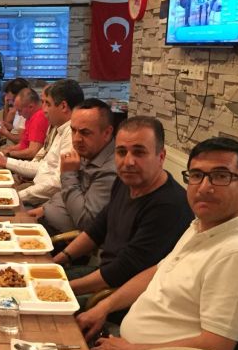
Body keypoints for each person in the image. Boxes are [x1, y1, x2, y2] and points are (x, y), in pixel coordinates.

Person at [78, 137, 238, 350]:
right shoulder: (203, 225)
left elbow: (216, 349)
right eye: (196, 175)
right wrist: (104, 307)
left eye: (221, 176)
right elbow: (158, 271)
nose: (204, 187)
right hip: (126, 346)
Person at [52, 116, 193, 298]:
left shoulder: (169, 206)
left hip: (122, 295)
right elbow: (98, 228)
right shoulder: (126, 181)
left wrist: (58, 290)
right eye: (121, 152)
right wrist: (57, 260)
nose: (128, 162)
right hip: (103, 274)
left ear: (161, 156)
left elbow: (124, 270)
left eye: (139, 152)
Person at [0, 79, 83, 206]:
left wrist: (17, 196)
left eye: (47, 103)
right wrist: (5, 161)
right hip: (36, 185)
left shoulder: (71, 133)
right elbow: (42, 166)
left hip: (45, 199)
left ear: (63, 106)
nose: (44, 109)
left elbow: (56, 183)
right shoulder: (58, 128)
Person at [30, 99, 116, 235]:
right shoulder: (89, 151)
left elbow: (87, 222)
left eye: (85, 133)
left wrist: (68, 174)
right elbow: (70, 193)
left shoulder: (110, 170)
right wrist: (44, 209)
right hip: (44, 217)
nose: (76, 139)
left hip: (60, 238)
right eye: (73, 130)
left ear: (106, 133)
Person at [0, 88, 50, 160]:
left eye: (20, 110)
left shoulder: (39, 118)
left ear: (31, 107)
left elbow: (33, 152)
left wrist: (9, 153)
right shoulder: (30, 117)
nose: (19, 114)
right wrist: (6, 150)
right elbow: (24, 144)